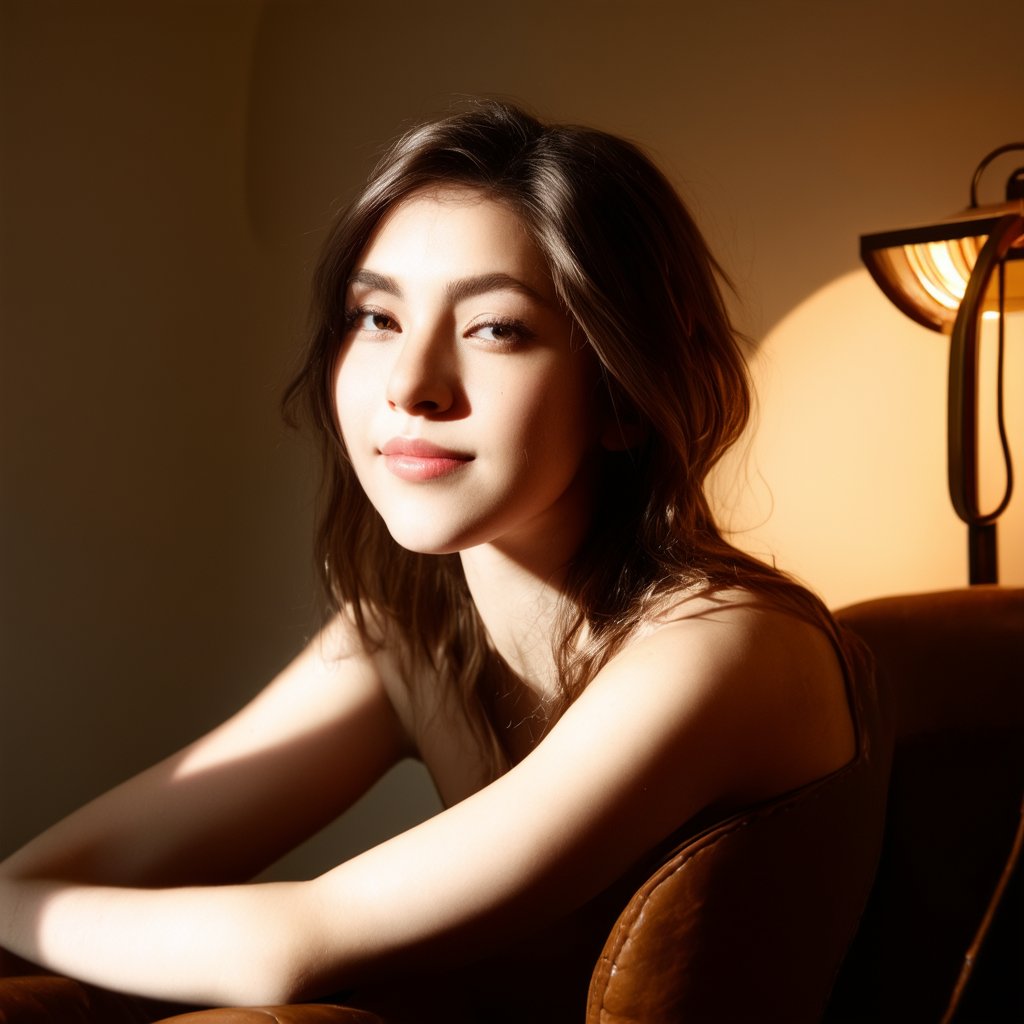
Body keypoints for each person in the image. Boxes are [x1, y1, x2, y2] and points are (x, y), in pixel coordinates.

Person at [0, 100, 857, 1021]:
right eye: (376, 318)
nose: (410, 387)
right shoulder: (411, 635)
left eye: (496, 328)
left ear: (622, 394)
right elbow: (45, 881)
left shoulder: (724, 645)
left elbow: (289, 948)